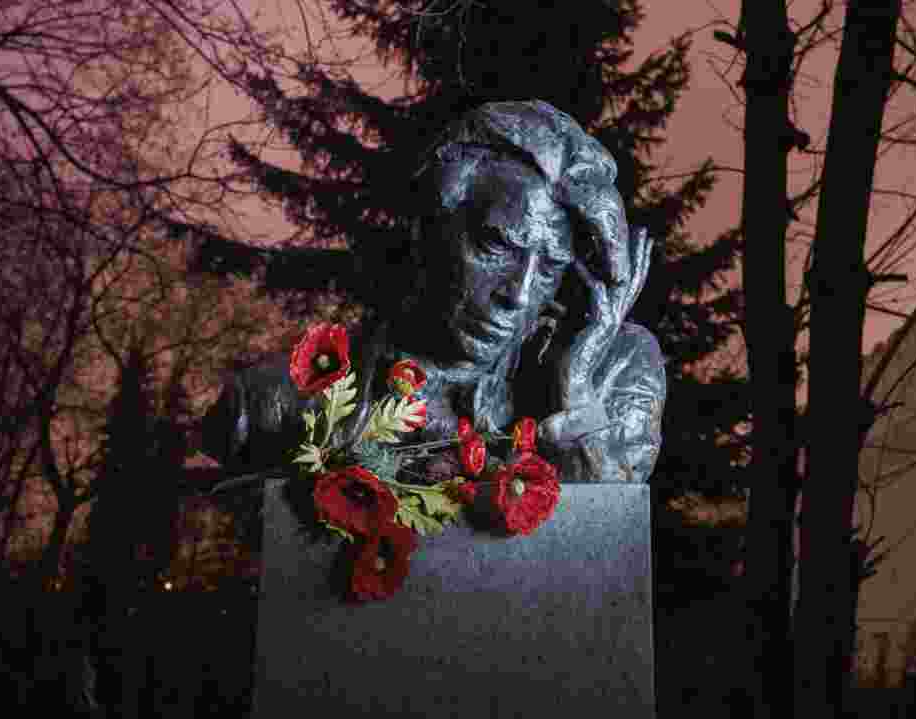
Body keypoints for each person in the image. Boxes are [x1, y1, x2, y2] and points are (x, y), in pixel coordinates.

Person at [202, 100, 666, 482]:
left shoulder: (613, 375)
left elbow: (606, 537)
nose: (519, 294)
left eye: (549, 268)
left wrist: (577, 394)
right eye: (495, 244)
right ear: (430, 230)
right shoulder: (277, 401)